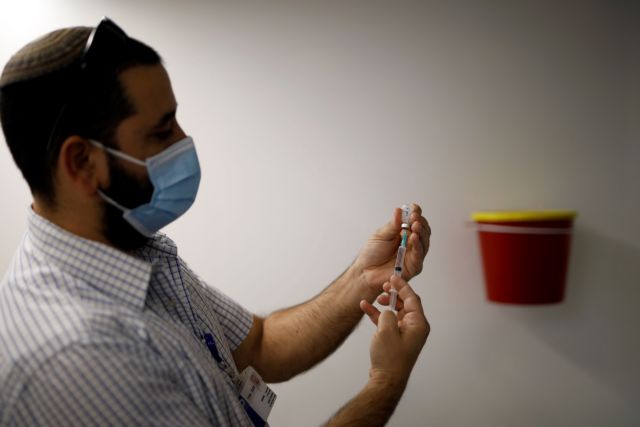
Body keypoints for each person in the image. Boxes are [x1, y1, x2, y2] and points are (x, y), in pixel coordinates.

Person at [0, 18, 431, 427]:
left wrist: (363, 276)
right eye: (162, 131)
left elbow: (260, 346)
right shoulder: (80, 357)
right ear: (81, 163)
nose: (184, 141)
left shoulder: (128, 247)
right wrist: (386, 381)